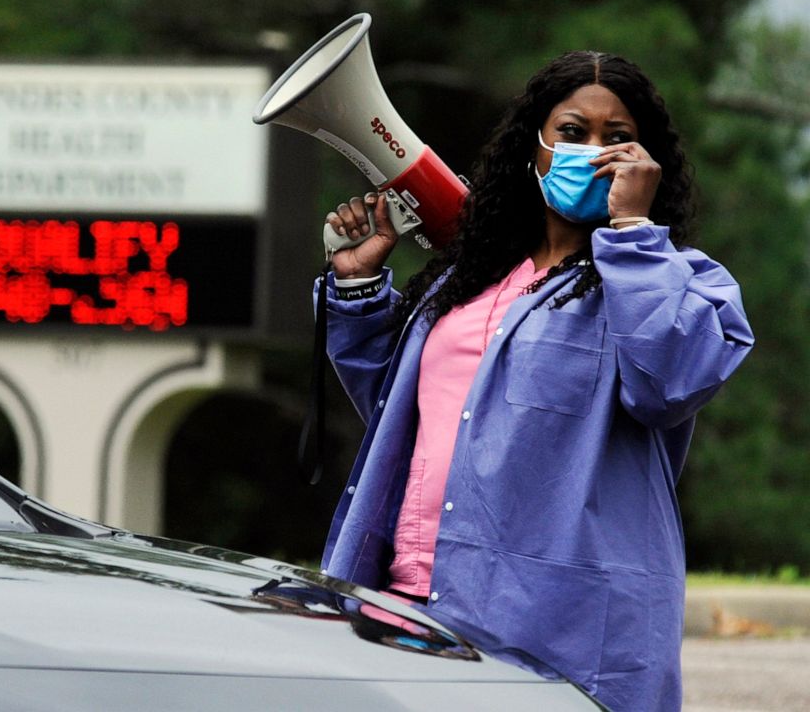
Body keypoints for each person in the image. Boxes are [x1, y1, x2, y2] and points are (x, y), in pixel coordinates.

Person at [316, 50, 754, 711]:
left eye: (619, 138)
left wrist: (632, 231)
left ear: (649, 164)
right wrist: (357, 285)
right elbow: (402, 417)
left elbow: (666, 383)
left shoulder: (682, 282)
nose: (594, 152)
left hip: (560, 632)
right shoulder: (466, 280)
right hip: (410, 603)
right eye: (573, 132)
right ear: (535, 148)